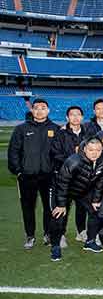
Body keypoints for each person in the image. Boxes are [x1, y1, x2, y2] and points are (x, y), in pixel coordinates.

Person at [8, 98, 60, 249]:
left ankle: (47, 234)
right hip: (27, 176)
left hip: (48, 176)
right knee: (28, 207)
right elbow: (13, 151)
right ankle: (30, 236)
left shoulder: (55, 129)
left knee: (49, 207)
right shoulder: (21, 129)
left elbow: (59, 153)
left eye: (43, 107)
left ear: (48, 110)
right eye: (36, 108)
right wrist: (18, 171)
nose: (39, 110)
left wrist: (55, 170)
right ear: (32, 110)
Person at [48, 138, 103, 261]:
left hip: (83, 190)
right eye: (91, 150)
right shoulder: (73, 161)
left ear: (102, 150)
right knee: (59, 216)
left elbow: (100, 183)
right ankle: (55, 246)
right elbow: (63, 183)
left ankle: (90, 241)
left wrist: (96, 200)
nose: (94, 153)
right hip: (61, 190)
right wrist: (61, 204)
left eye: (98, 150)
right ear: (85, 149)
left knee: (96, 211)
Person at [50, 105, 88, 246]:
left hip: (83, 177)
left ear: (82, 117)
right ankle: (60, 234)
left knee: (82, 206)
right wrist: (73, 161)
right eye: (72, 114)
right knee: (63, 206)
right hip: (65, 177)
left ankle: (81, 231)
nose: (75, 117)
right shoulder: (60, 133)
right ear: (67, 117)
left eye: (78, 114)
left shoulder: (87, 133)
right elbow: (55, 154)